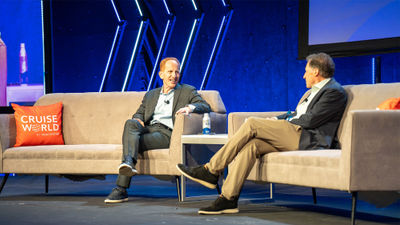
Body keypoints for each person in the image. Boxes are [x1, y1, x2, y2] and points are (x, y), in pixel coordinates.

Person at [176, 52, 348, 214]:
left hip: (309, 139)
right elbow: (296, 113)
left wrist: (281, 123)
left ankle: (211, 169)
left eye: (306, 72)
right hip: (297, 133)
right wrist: (277, 118)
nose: (304, 76)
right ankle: (228, 198)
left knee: (252, 123)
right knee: (252, 145)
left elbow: (311, 120)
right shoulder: (314, 92)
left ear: (316, 71)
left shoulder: (334, 91)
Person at [105, 57, 211, 203]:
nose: (174, 76)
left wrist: (189, 108)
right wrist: (138, 119)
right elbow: (139, 113)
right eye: (170, 72)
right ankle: (128, 164)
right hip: (149, 128)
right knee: (130, 123)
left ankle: (120, 189)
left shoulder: (187, 90)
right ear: (161, 74)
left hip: (166, 133)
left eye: (177, 72)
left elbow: (205, 106)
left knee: (132, 142)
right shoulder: (151, 95)